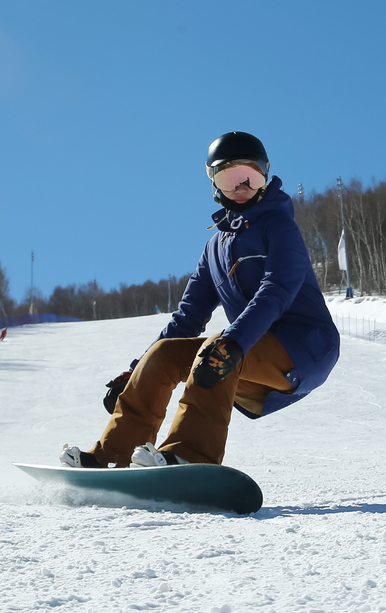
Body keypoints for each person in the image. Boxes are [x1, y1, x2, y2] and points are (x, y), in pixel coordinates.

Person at [60, 131, 340, 469]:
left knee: (216, 349)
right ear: (215, 184)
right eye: (229, 177)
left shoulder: (278, 226)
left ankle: (188, 456)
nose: (241, 187)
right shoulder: (215, 249)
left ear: (265, 176)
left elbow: (277, 289)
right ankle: (112, 456)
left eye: (250, 176)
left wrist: (233, 343)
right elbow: (186, 318)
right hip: (249, 349)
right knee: (164, 355)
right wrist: (135, 373)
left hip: (304, 347)